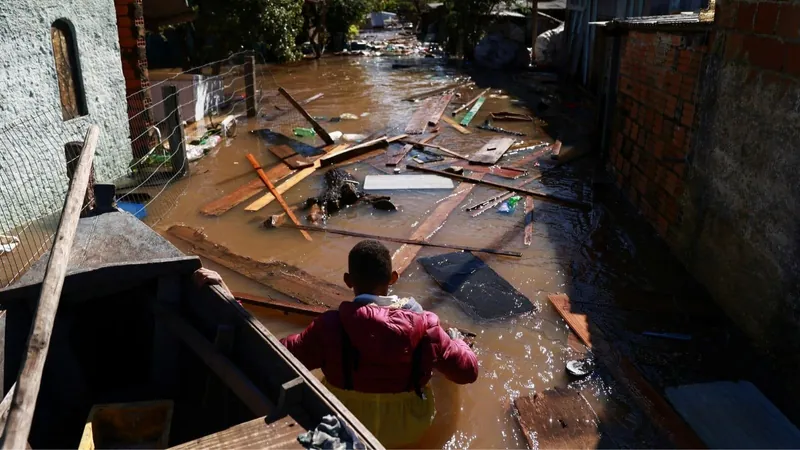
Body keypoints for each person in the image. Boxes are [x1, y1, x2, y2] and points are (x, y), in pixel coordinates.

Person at [280, 240, 479, 448]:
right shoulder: (425, 325)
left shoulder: (328, 325)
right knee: (438, 362)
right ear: (393, 278)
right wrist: (458, 343)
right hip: (408, 428)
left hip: (344, 424)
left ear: (348, 281)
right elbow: (468, 372)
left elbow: (285, 354)